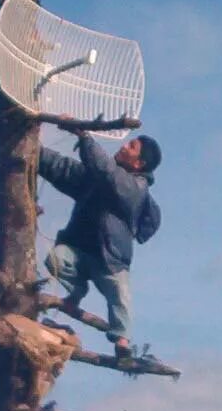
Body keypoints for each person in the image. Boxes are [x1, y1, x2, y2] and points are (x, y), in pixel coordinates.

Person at [38, 121, 162, 358]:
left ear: (139, 163)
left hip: (110, 258)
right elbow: (65, 170)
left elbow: (108, 173)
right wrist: (37, 153)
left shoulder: (135, 188)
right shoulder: (99, 178)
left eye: (132, 146)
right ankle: (77, 291)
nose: (125, 146)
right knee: (56, 259)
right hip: (80, 250)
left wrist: (84, 138)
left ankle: (122, 342)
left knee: (119, 298)